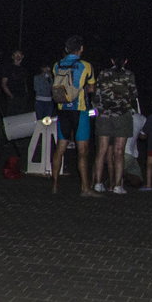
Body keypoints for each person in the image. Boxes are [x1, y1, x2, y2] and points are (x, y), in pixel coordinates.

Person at [50, 37, 95, 197]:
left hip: (62, 109)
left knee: (60, 148)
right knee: (82, 151)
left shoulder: (57, 65)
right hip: (79, 110)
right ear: (81, 49)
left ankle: (55, 184)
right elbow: (91, 87)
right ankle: (85, 188)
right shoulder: (86, 66)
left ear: (67, 49)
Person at [91, 59, 138, 195]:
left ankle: (98, 183)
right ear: (126, 61)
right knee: (119, 151)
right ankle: (118, 185)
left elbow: (96, 93)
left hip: (104, 115)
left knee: (102, 150)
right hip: (122, 115)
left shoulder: (103, 73)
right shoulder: (129, 74)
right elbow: (134, 94)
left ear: (111, 60)